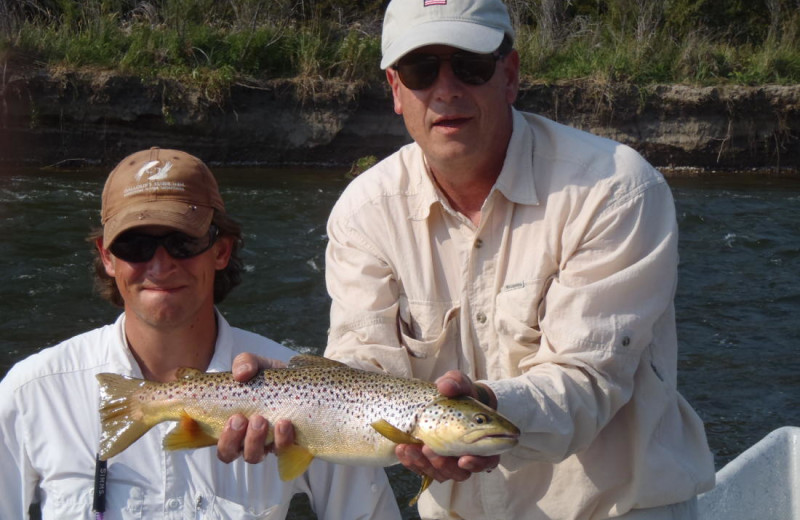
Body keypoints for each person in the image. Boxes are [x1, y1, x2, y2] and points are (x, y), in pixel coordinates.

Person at [320, 0, 716, 518]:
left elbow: (586, 380)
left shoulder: (615, 189)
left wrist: (484, 403)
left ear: (509, 75)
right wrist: (276, 399)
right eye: (421, 70)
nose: (446, 89)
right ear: (396, 89)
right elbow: (362, 369)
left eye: (470, 65)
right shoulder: (362, 212)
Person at [0, 147, 401, 519]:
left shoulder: (319, 396)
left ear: (221, 250)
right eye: (135, 245)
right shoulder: (31, 394)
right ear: (107, 257)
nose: (159, 265)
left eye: (182, 241)